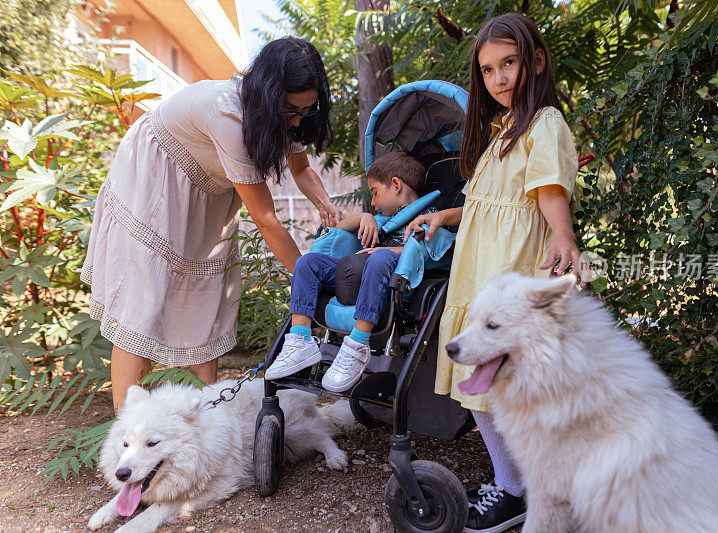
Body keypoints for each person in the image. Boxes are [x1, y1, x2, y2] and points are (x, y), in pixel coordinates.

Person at [81, 37, 344, 411]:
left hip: (209, 188)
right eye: (291, 109)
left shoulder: (284, 115)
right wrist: (310, 280)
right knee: (141, 303)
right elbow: (266, 220)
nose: (298, 120)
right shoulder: (229, 116)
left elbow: (301, 168)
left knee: (208, 294)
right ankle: (129, 434)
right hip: (158, 178)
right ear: (270, 95)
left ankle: (206, 417)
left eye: (307, 109)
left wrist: (325, 204)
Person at [403, 13, 588, 533]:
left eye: (510, 63)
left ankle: (517, 488)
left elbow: (548, 190)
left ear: (537, 62)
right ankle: (519, 482)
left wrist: (563, 235)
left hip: (509, 267)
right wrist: (445, 215)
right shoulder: (504, 129)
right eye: (488, 70)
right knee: (484, 383)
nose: (500, 78)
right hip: (481, 268)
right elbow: (490, 202)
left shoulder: (544, 124)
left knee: (501, 381)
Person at [264, 151, 434, 392]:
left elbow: (429, 251)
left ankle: (357, 344)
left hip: (397, 280)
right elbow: (338, 228)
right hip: (359, 275)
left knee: (381, 255)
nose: (373, 202)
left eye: (374, 193)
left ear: (395, 185)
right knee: (307, 263)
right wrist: (364, 217)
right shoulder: (382, 218)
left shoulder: (431, 215)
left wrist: (391, 252)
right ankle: (299, 340)